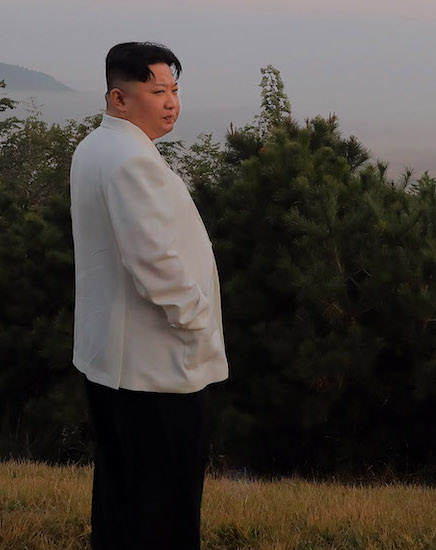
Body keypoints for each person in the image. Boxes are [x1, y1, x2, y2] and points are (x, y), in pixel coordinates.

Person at [70, 41, 229, 550]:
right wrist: (196, 319)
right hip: (154, 364)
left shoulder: (97, 146)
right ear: (119, 99)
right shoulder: (130, 161)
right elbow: (154, 260)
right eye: (157, 90)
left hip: (115, 359)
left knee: (125, 491)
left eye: (175, 90)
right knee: (165, 500)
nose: (170, 102)